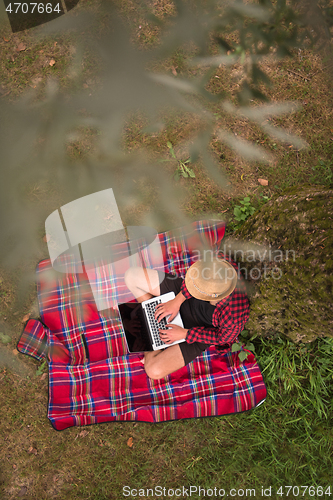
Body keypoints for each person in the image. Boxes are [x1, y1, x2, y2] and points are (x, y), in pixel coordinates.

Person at [124, 255, 250, 379]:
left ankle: (153, 337)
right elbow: (192, 282)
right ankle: (153, 324)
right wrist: (176, 302)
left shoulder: (235, 312)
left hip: (199, 329)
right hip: (182, 297)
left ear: (214, 296)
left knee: (153, 370)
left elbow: (221, 337)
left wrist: (185, 334)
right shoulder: (220, 262)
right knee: (131, 276)